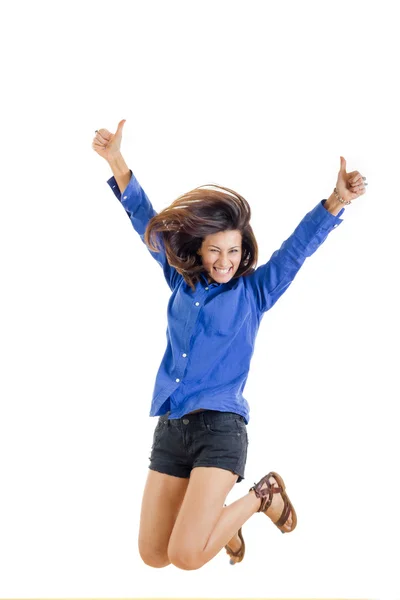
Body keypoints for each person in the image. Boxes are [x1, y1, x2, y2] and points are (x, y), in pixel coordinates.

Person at [92, 119, 367, 570]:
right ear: (200, 250)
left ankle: (262, 496)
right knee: (153, 555)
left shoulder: (254, 294)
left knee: (185, 556)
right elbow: (145, 220)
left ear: (244, 253)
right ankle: (222, 527)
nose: (224, 260)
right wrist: (116, 161)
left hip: (220, 428)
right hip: (172, 425)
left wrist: (336, 200)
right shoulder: (179, 280)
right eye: (215, 251)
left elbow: (296, 250)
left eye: (234, 252)